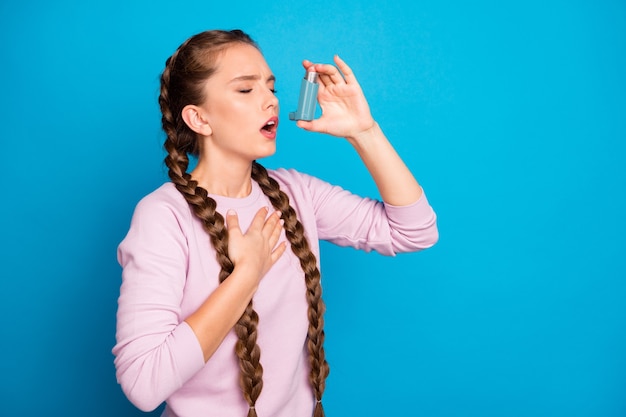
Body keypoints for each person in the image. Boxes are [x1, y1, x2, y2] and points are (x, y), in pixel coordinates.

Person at [113, 29, 438, 417]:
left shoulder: (295, 193)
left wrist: (363, 131)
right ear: (199, 118)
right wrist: (246, 276)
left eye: (271, 87)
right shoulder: (163, 216)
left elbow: (415, 231)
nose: (270, 100)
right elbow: (143, 384)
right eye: (245, 90)